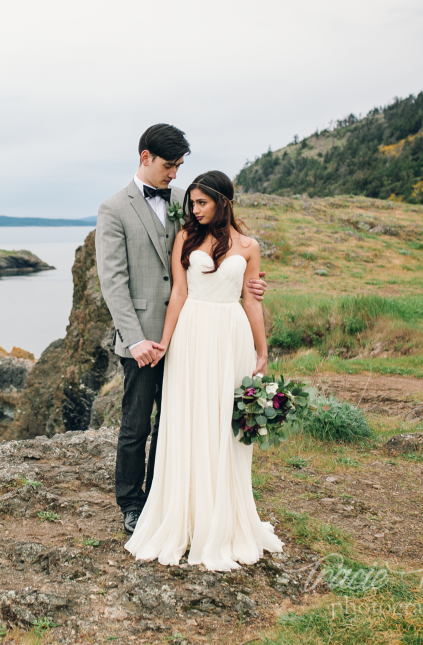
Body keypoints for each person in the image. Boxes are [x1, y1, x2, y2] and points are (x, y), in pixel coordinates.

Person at [95, 125, 267, 535]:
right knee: (137, 424)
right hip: (144, 339)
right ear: (145, 157)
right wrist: (135, 340)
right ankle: (132, 504)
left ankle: (165, 497)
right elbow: (113, 281)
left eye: (179, 167)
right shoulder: (113, 209)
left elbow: (218, 250)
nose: (174, 174)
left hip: (194, 336)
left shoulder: (186, 202)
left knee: (178, 423)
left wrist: (248, 282)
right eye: (169, 166)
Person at [124, 170, 283, 569]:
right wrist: (163, 342)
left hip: (230, 337)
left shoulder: (249, 247)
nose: (192, 210)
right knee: (187, 420)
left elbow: (252, 301)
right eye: (191, 203)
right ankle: (186, 518)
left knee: (219, 425)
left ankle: (221, 518)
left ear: (222, 202)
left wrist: (262, 352)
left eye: (201, 203)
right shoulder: (186, 237)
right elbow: (179, 292)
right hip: (191, 336)